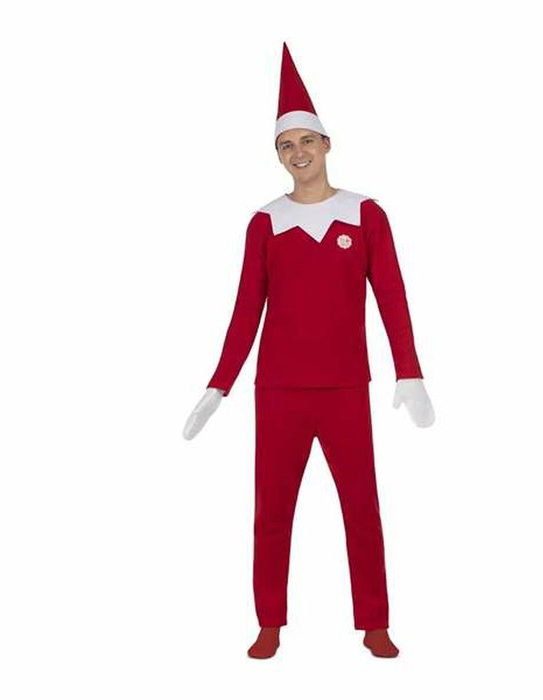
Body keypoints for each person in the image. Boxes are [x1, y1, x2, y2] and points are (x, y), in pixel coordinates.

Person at [183, 42, 435, 659]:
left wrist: (409, 372)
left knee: (362, 509)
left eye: (306, 142)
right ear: (278, 155)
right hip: (279, 392)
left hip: (346, 388)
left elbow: (392, 296)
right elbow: (246, 310)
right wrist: (219, 384)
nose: (297, 153)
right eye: (285, 146)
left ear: (326, 144)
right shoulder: (265, 223)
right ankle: (269, 621)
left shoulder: (365, 214)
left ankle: (374, 622)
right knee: (271, 513)